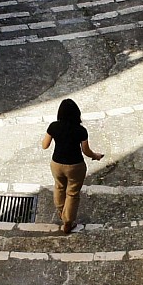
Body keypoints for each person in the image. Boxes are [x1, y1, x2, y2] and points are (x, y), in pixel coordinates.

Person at [41, 98, 101, 234]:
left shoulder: (53, 126)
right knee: (72, 193)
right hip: (75, 165)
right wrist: (96, 156)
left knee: (59, 187)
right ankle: (67, 222)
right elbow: (86, 151)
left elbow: (44, 145)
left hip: (56, 164)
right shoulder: (81, 130)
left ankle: (61, 212)